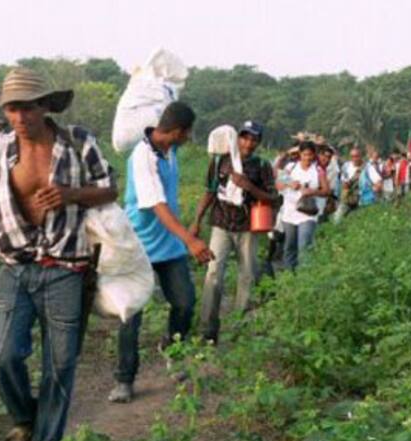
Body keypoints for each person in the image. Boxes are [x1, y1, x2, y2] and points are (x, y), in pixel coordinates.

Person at [0, 68, 117, 441]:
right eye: (12, 108)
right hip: (15, 267)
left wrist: (71, 194)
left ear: (45, 106)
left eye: (27, 107)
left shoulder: (78, 142)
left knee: (59, 366)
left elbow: (109, 188)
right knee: (1, 355)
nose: (20, 117)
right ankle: (27, 421)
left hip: (67, 269)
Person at [108, 101, 214, 404]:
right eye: (188, 133)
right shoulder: (142, 156)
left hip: (168, 247)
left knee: (184, 302)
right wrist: (191, 241)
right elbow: (158, 206)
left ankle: (172, 350)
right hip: (138, 247)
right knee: (131, 316)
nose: (189, 138)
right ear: (178, 132)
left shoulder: (171, 149)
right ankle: (124, 379)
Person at [192, 121, 276, 343]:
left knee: (247, 275)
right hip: (221, 223)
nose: (248, 143)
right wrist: (197, 220)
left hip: (248, 226)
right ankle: (207, 331)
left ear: (258, 142)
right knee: (213, 274)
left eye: (253, 139)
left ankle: (241, 329)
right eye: (245, 137)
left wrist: (249, 187)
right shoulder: (221, 161)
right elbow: (210, 192)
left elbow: (274, 198)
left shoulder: (262, 166)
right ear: (237, 138)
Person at [277, 141, 330, 270]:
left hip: (308, 213)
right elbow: (278, 184)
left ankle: (304, 278)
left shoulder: (318, 170)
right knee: (289, 247)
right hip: (290, 212)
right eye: (305, 154)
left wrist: (313, 191)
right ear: (300, 154)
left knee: (304, 246)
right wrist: (290, 184)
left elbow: (326, 191)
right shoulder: (290, 168)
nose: (307, 158)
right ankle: (289, 277)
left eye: (310, 155)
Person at [333, 146, 365, 223]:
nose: (355, 159)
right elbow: (343, 179)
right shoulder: (346, 166)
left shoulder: (367, 167)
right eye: (352, 156)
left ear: (361, 156)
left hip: (361, 198)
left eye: (357, 156)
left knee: (358, 220)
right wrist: (345, 183)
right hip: (347, 197)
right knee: (337, 219)